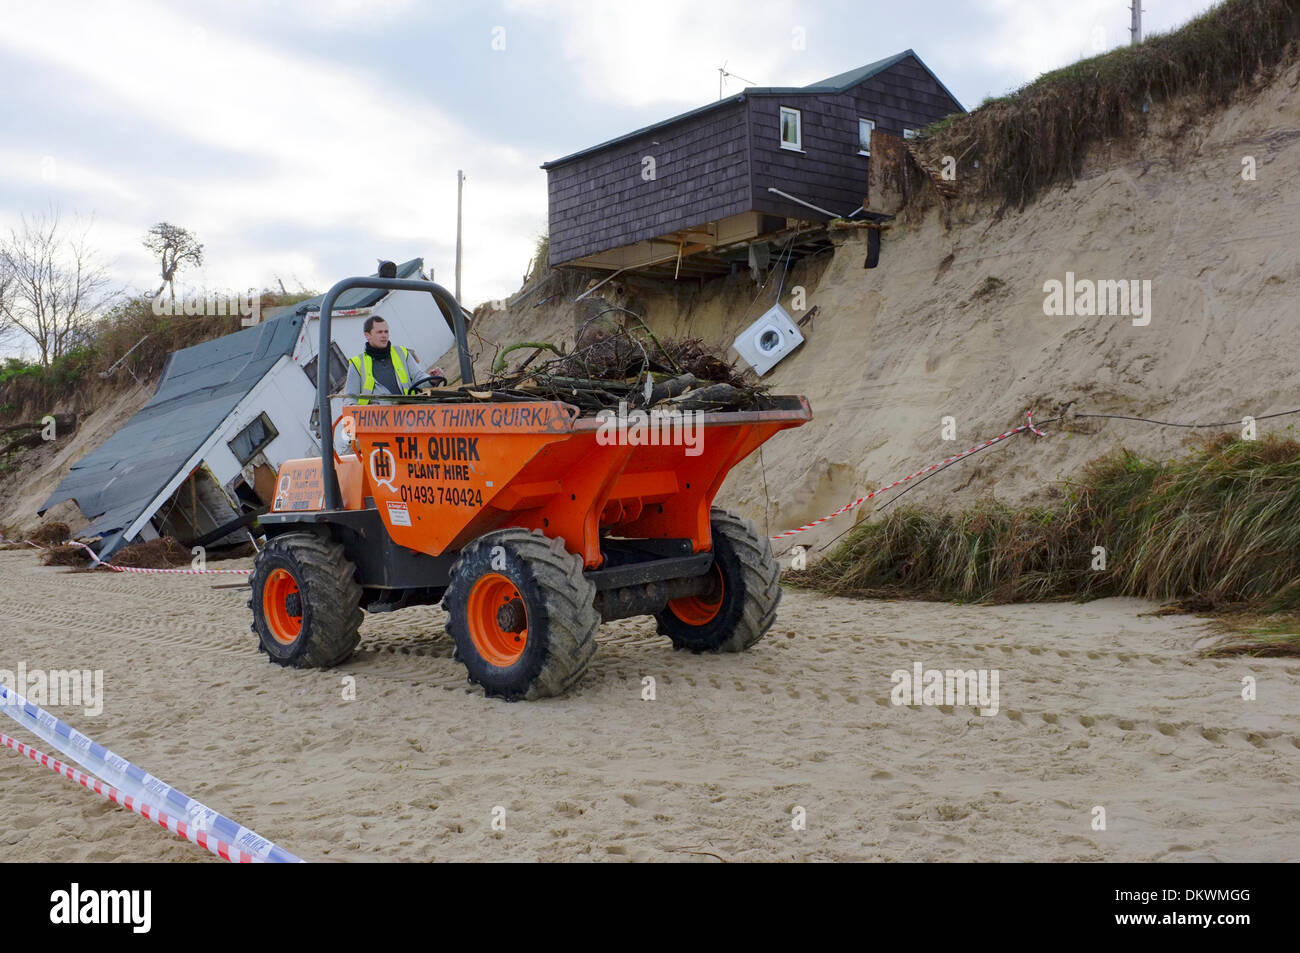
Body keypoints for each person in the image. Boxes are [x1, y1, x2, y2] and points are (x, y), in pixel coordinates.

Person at [333, 315, 444, 454]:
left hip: (410, 421)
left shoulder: (402, 353)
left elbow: (419, 377)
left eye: (386, 331)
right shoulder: (357, 364)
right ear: (367, 335)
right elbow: (350, 399)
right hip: (379, 428)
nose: (384, 336)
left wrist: (432, 380)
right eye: (379, 332)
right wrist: (358, 411)